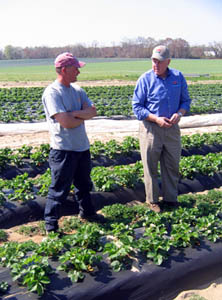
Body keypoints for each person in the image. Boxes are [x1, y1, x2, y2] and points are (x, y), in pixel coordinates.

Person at [42, 52, 105, 234]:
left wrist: (74, 113)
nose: (78, 71)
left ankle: (87, 213)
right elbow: (66, 123)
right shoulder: (52, 93)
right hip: (63, 150)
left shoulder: (78, 90)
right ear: (64, 69)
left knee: (84, 184)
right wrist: (80, 114)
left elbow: (92, 111)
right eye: (75, 68)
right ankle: (51, 225)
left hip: (82, 147)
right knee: (59, 189)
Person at [132, 45, 191, 213]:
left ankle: (171, 199)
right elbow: (137, 107)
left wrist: (179, 114)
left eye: (159, 62)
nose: (155, 65)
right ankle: (152, 200)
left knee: (172, 164)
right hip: (151, 129)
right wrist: (156, 119)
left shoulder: (178, 77)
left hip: (172, 129)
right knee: (150, 167)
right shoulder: (145, 79)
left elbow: (186, 101)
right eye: (153, 61)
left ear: (168, 62)